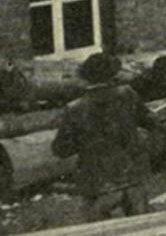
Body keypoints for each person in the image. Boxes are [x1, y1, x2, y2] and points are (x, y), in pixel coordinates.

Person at [52, 52, 157, 222]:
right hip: (132, 177)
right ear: (113, 75)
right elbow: (152, 123)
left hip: (97, 185)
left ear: (86, 77)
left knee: (97, 230)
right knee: (143, 228)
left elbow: (60, 150)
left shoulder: (74, 109)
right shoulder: (128, 95)